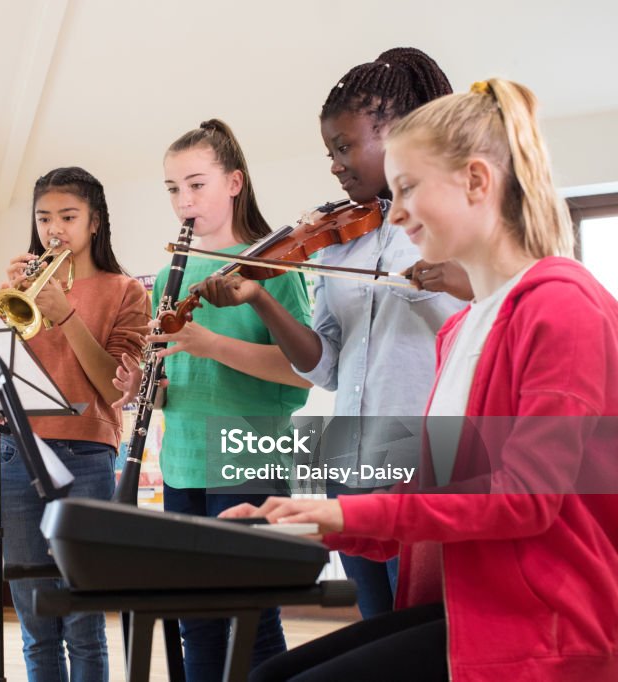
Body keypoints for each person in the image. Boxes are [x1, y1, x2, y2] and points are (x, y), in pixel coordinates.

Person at [225, 78, 618, 681]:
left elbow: (525, 499)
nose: (396, 211)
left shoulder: (562, 304)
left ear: (477, 182)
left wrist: (341, 517)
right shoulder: (460, 331)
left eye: (408, 188)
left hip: (543, 626)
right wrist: (299, 524)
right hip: (462, 607)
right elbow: (435, 509)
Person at [196, 48, 466, 619]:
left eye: (345, 147)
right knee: (375, 626)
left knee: (423, 629)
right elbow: (326, 366)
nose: (336, 165)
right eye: (330, 152)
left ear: (400, 134)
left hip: (427, 455)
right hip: (352, 457)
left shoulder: (456, 218)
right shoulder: (342, 239)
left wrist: (459, 278)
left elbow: (507, 304)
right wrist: (263, 298)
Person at [115, 119, 313, 681]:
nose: (184, 200)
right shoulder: (169, 273)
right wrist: (142, 391)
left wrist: (211, 344)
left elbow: (303, 373)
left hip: (246, 453)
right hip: (183, 461)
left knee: (252, 617)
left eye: (196, 184)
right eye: (174, 189)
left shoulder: (274, 262)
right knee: (194, 619)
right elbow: (181, 378)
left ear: (234, 183)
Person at [0, 166, 149, 681]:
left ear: (95, 222)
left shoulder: (126, 290)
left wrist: (64, 314)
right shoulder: (21, 289)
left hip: (86, 453)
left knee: (83, 619)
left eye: (67, 216)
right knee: (35, 619)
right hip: (19, 453)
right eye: (43, 218)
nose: (54, 228)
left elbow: (113, 388)